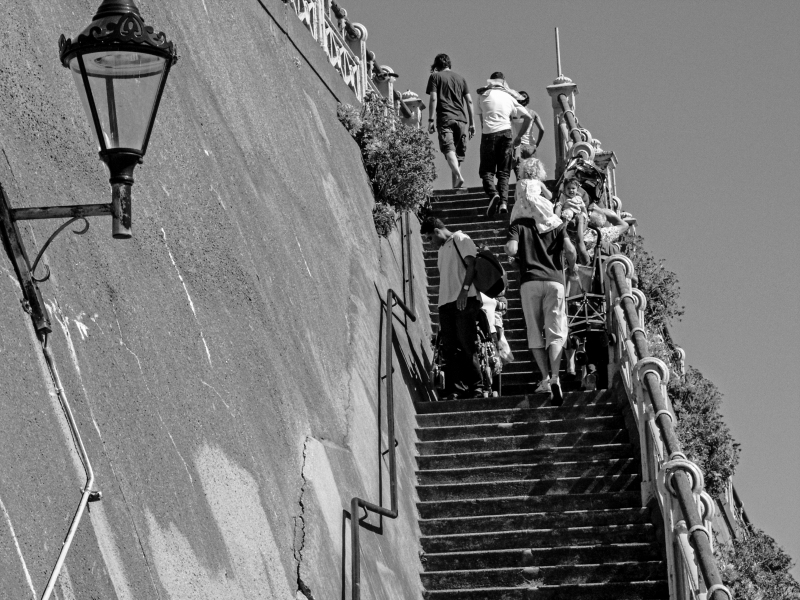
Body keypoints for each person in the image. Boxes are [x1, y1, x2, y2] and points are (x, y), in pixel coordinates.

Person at [505, 211, 576, 405]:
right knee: (555, 332)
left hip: (530, 282)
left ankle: (545, 379)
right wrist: (573, 267)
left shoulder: (518, 225)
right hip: (555, 282)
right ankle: (555, 377)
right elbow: (570, 250)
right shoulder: (557, 223)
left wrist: (514, 254)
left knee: (535, 331)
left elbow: (511, 250)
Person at [421, 215, 485, 399]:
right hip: (445, 303)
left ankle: (477, 387)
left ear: (437, 231)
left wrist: (464, 292)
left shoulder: (461, 239)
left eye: (429, 238)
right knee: (449, 348)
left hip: (464, 300)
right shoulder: (442, 250)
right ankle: (456, 388)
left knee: (467, 344)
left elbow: (471, 266)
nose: (430, 242)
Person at [477, 72, 531, 218]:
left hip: (488, 135)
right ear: (503, 83)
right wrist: (519, 137)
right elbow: (528, 117)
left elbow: (482, 120)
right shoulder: (509, 97)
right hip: (506, 135)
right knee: (504, 172)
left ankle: (493, 194)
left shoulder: (482, 95)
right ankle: (504, 203)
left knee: (487, 171)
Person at [426, 54, 475, 189]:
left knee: (448, 149)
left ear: (436, 66)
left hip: (445, 118)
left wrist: (431, 119)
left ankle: (458, 177)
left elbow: (433, 99)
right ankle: (456, 186)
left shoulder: (435, 77)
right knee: (457, 153)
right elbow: (469, 101)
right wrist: (472, 123)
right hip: (461, 119)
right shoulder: (461, 79)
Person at [511, 91, 545, 179]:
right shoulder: (533, 113)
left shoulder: (513, 113)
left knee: (520, 175)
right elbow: (542, 129)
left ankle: (521, 190)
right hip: (530, 145)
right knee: (533, 174)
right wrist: (537, 144)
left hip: (518, 146)